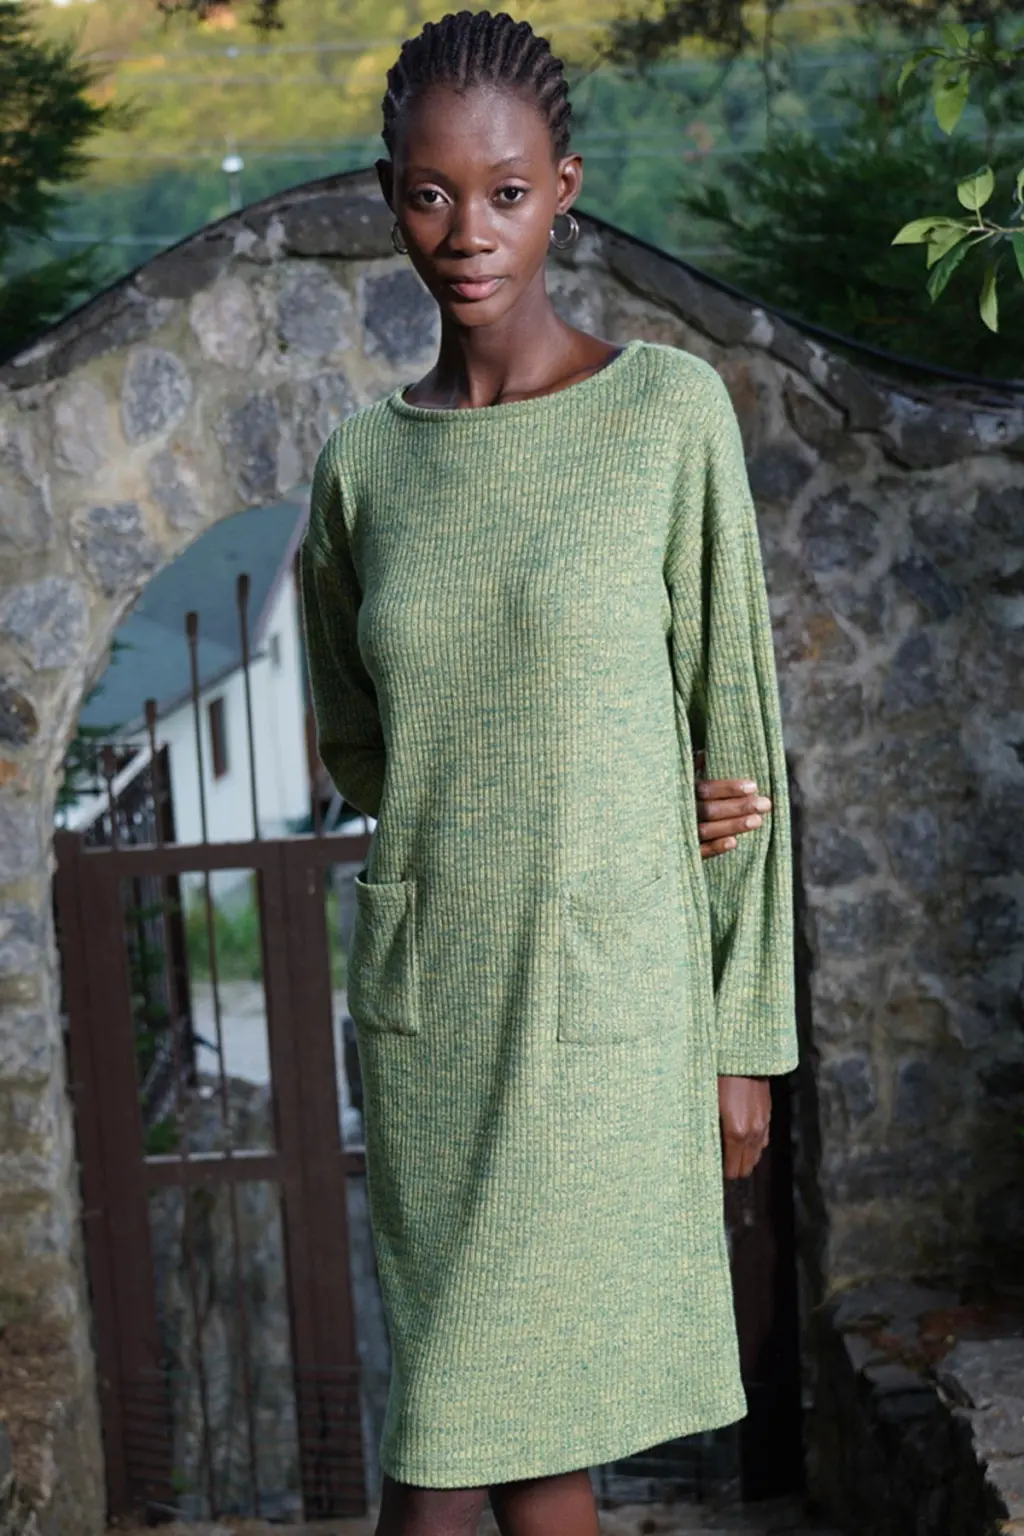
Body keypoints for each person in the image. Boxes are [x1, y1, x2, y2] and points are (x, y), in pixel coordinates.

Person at [298, 12, 799, 1535]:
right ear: (391, 197)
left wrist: (743, 1040)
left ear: (563, 192)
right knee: (511, 1448)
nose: (469, 232)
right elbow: (360, 744)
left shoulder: (666, 418)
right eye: (432, 194)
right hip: (437, 1016)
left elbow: (738, 738)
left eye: (507, 193)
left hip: (605, 1016)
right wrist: (565, 782)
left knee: (472, 1449)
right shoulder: (363, 467)